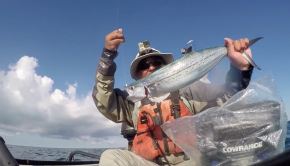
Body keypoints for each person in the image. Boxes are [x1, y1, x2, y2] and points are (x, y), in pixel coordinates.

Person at [92, 29, 255, 166]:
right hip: (151, 164)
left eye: (157, 62)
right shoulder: (131, 103)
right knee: (109, 157)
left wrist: (240, 69)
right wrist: (107, 56)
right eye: (144, 65)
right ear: (138, 76)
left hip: (190, 162)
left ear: (167, 67)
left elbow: (227, 97)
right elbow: (104, 100)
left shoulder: (189, 90)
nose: (151, 67)